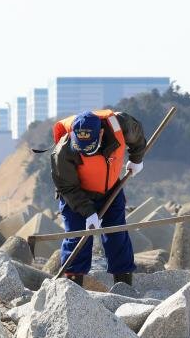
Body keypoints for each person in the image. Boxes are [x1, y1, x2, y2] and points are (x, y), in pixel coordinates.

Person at [50, 109, 146, 286]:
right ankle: (72, 289)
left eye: (89, 147)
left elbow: (137, 134)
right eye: (81, 147)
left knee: (117, 235)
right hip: (76, 196)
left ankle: (124, 287)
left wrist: (136, 159)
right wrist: (88, 213)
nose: (85, 152)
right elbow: (67, 187)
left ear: (101, 133)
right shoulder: (62, 152)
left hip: (110, 189)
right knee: (77, 238)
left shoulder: (120, 124)